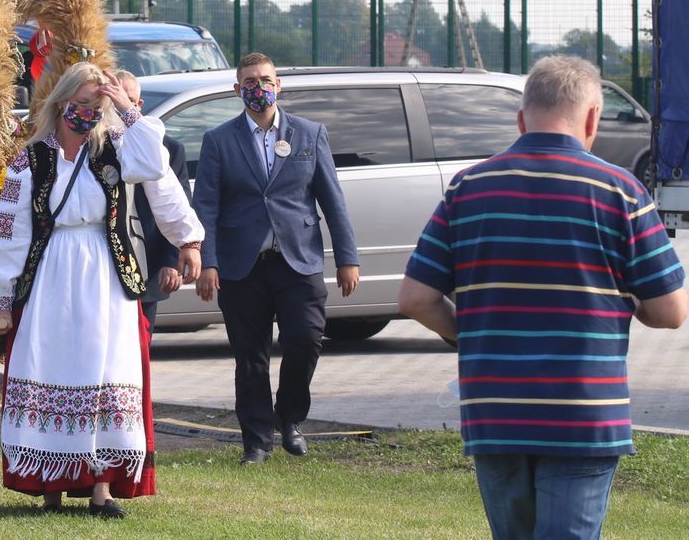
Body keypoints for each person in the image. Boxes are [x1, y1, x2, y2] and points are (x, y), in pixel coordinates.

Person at [398, 55, 687, 540]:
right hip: (584, 411)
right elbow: (672, 311)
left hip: (495, 412)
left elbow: (415, 299)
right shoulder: (621, 192)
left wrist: (473, 334)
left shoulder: (468, 188)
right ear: (593, 117)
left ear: (521, 119)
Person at [0, 62, 203, 519]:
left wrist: (188, 238)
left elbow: (157, 170)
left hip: (106, 272)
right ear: (62, 102)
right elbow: (10, 230)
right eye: (80, 104)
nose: (86, 113)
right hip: (50, 274)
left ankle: (102, 489)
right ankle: (50, 488)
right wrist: (2, 299)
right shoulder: (32, 157)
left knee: (105, 369)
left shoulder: (117, 148)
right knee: (52, 365)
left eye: (94, 105)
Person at [192, 52, 360, 464]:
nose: (258, 86)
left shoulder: (309, 134)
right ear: (237, 90)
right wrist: (207, 261)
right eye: (249, 81)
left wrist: (347, 257)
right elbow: (206, 208)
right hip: (241, 266)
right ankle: (256, 441)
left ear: (279, 84)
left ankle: (290, 418)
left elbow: (332, 200)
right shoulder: (219, 140)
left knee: (305, 341)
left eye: (265, 79)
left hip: (297, 260)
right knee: (250, 357)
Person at [114, 69, 201, 335]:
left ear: (138, 105)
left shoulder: (166, 149)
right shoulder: (93, 144)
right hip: (104, 266)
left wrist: (170, 260)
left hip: (147, 268)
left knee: (139, 352)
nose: (118, 108)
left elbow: (173, 205)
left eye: (125, 101)